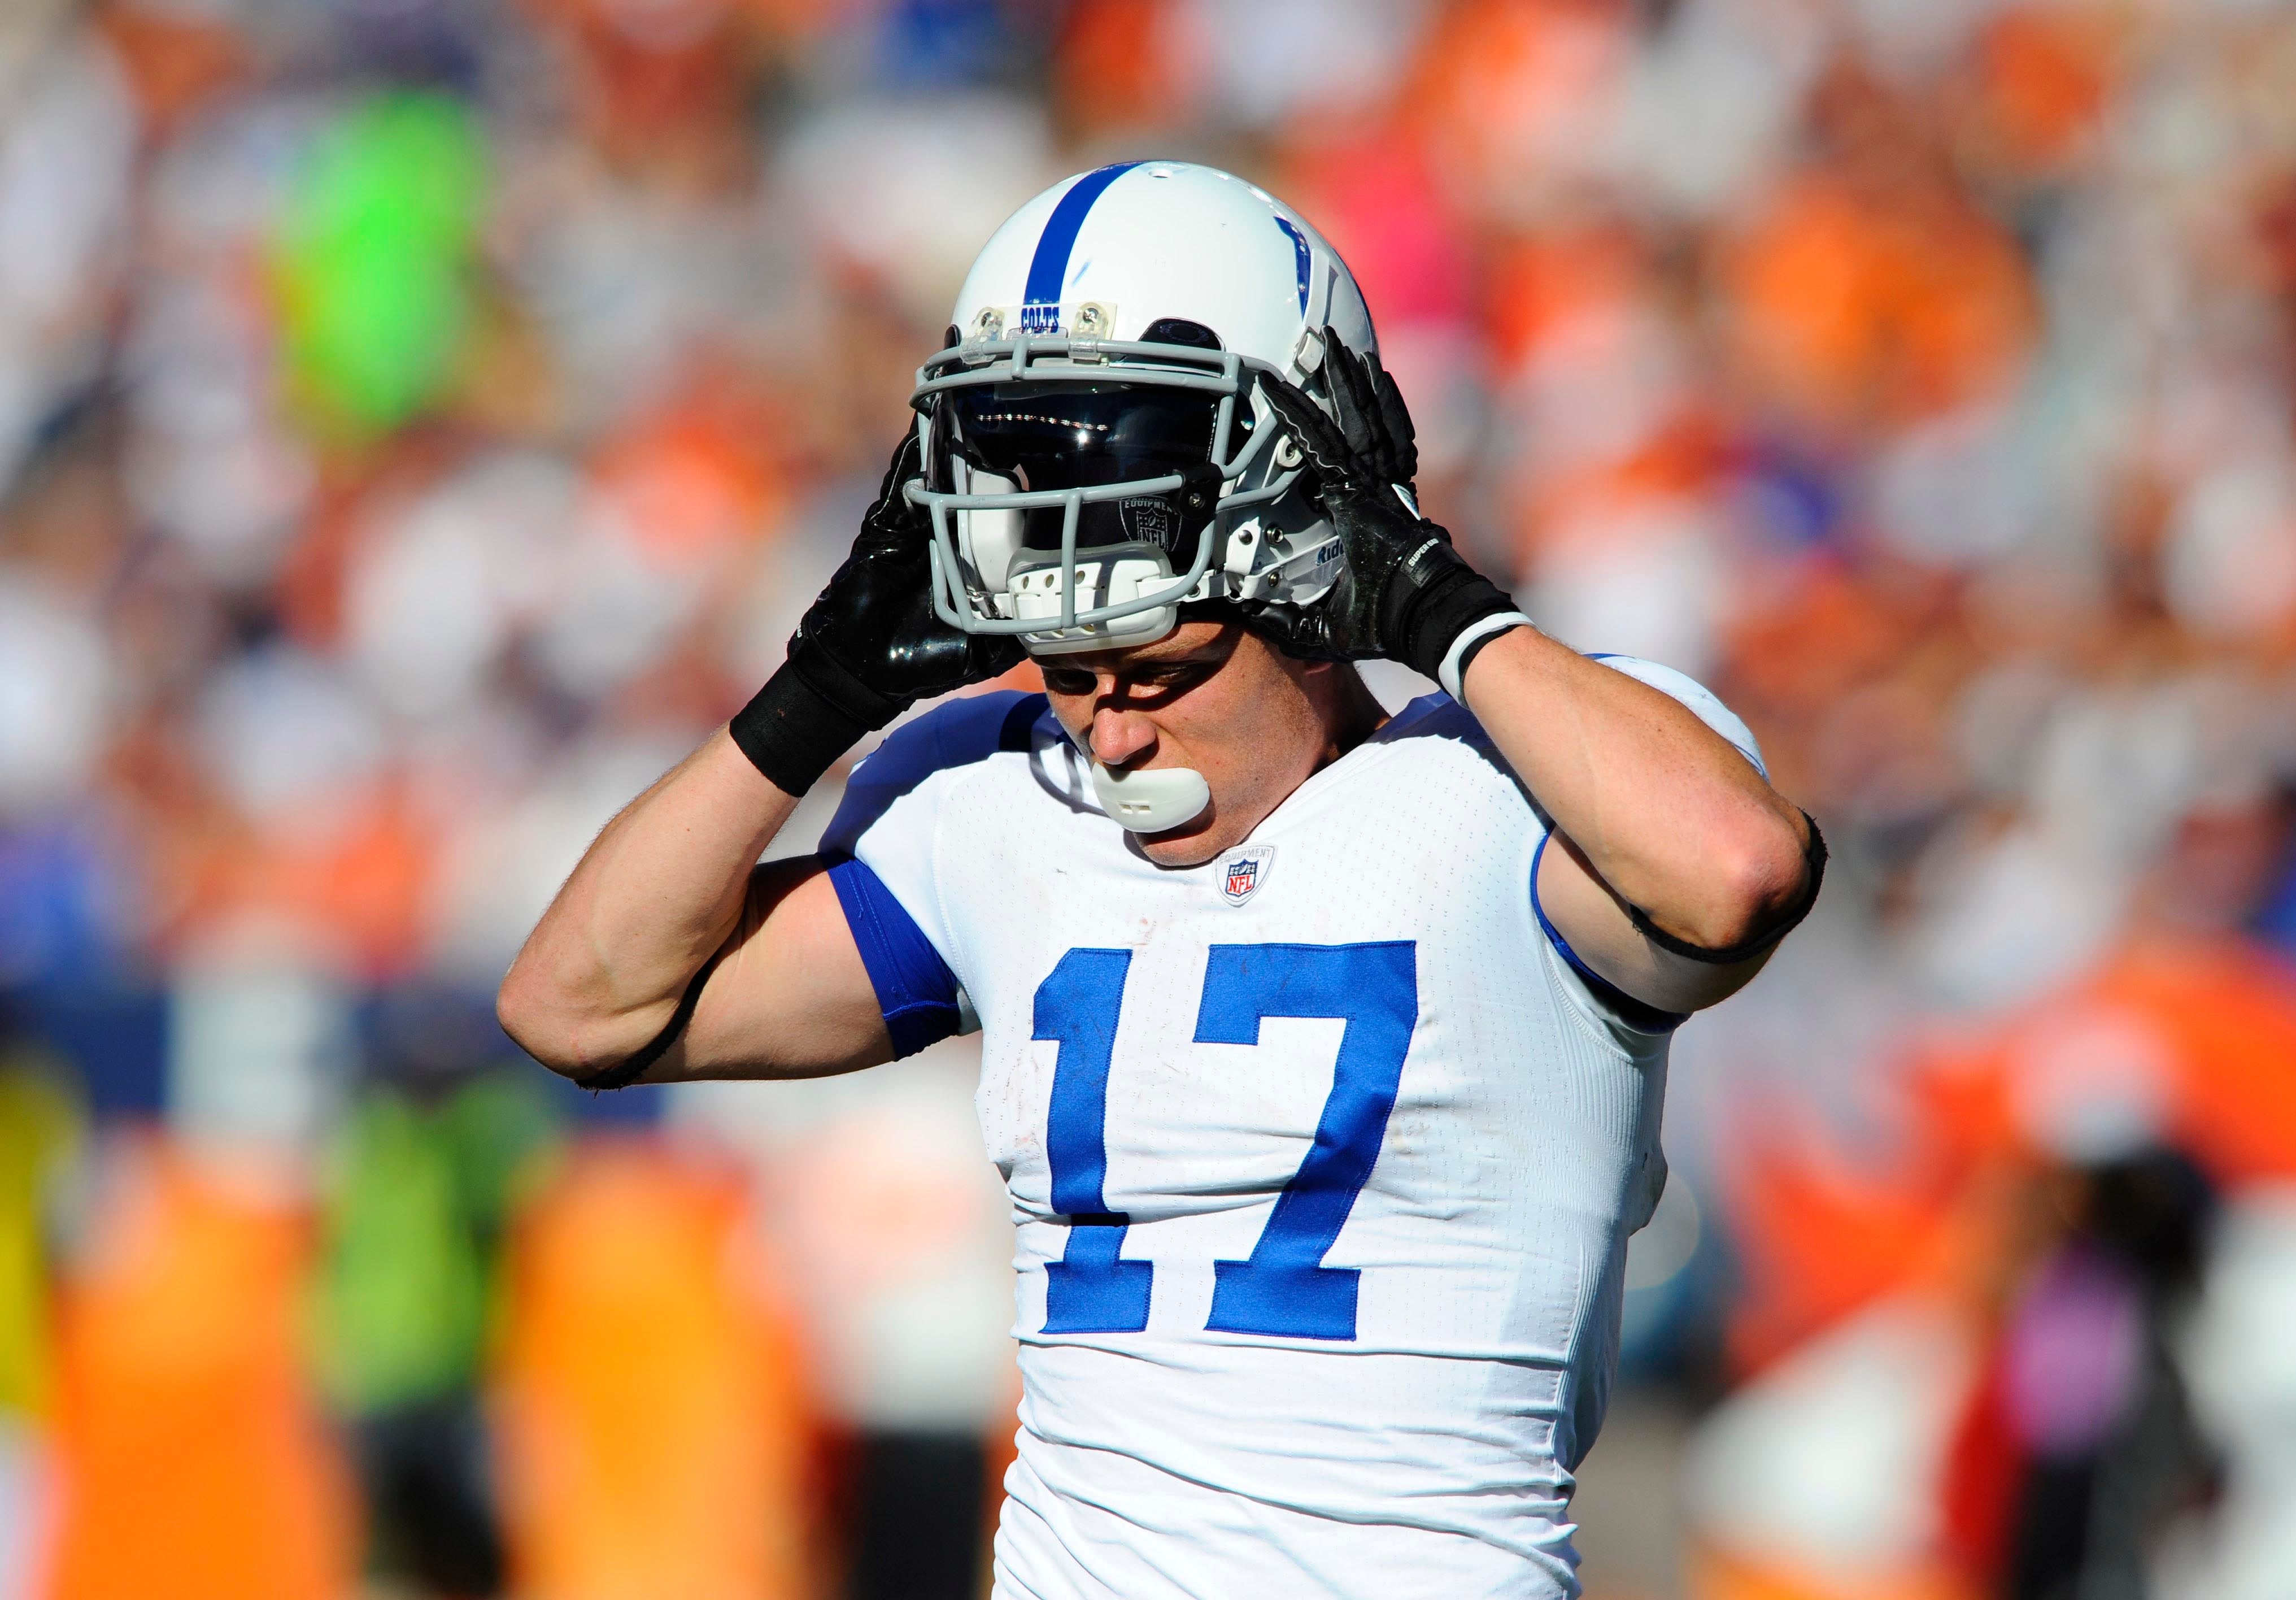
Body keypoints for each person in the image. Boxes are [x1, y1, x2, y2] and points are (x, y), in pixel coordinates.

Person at [499, 161, 1822, 1598]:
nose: (1113, 728)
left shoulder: (1510, 788)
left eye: (1163, 668)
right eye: (1069, 675)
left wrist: (1436, 603)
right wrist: (813, 698)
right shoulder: (998, 804)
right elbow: (583, 1008)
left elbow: (1734, 872)